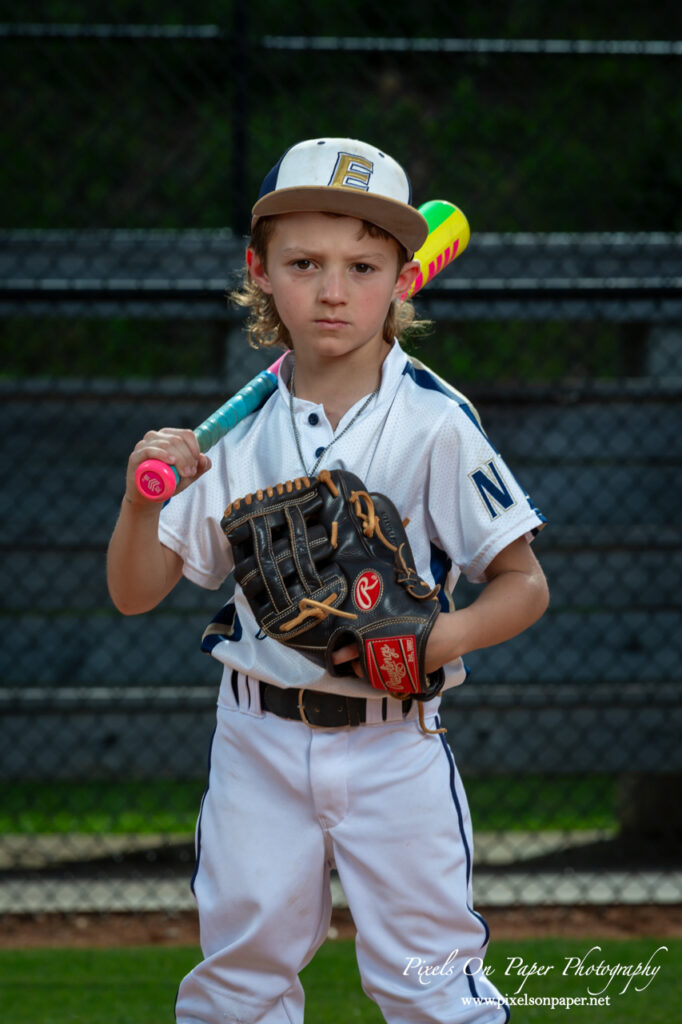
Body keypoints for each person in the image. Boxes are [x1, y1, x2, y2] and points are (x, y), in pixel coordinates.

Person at [107, 137, 549, 1024]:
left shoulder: (435, 423)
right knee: (237, 986)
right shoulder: (234, 436)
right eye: (304, 263)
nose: (334, 290)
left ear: (402, 278)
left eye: (363, 264)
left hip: (394, 743)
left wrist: (437, 638)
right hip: (257, 739)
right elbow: (135, 590)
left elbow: (522, 581)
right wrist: (137, 506)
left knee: (434, 987)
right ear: (260, 271)